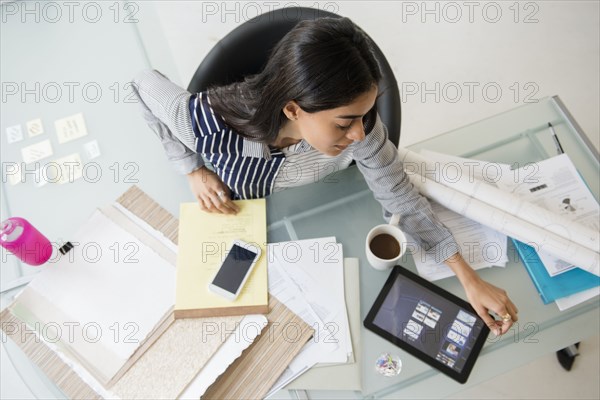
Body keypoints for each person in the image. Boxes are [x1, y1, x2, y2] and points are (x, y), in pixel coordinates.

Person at [132, 17, 518, 335]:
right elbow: (143, 83)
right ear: (293, 109)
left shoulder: (361, 128)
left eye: (365, 116)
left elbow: (396, 191)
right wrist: (191, 166)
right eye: (344, 123)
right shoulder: (204, 124)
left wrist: (467, 277)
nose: (360, 136)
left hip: (317, 213)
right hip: (246, 216)